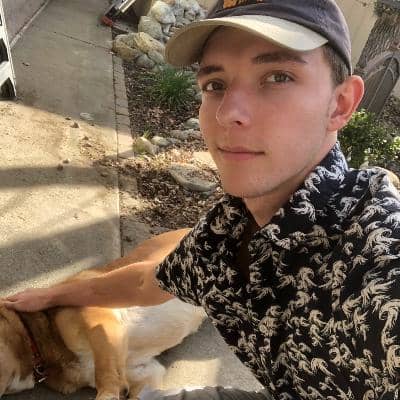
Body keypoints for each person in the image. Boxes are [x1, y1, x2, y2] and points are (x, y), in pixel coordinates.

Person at [3, 0, 400, 398]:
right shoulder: (227, 229)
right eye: (215, 84)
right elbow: (145, 281)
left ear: (341, 104)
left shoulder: (377, 261)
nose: (229, 112)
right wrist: (51, 295)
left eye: (278, 76)